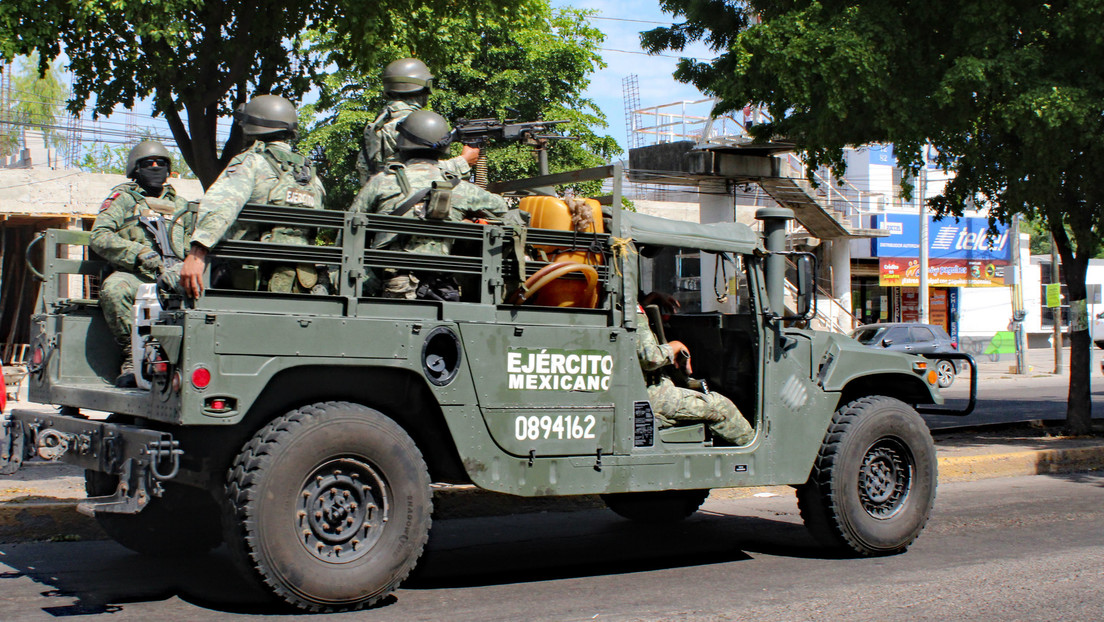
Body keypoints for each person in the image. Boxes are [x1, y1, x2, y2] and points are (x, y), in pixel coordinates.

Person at [177, 94, 326, 299]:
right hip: (299, 279)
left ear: (253, 125)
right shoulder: (311, 176)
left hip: (246, 276)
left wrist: (197, 251)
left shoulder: (251, 162)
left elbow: (221, 206)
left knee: (170, 282)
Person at [351, 110, 511, 300]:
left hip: (391, 286)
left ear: (402, 143)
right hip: (440, 287)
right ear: (444, 145)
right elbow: (502, 210)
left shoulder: (381, 182)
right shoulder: (460, 188)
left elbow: (350, 229)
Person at [90, 141, 192, 387]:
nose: (156, 167)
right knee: (114, 288)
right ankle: (130, 356)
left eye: (162, 164)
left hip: (174, 274)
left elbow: (194, 243)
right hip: (138, 274)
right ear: (136, 169)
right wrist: (138, 253)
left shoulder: (182, 206)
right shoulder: (123, 199)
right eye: (149, 164)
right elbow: (99, 236)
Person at [636, 304, 755, 445]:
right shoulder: (629, 306)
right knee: (720, 406)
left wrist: (652, 297)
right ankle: (759, 456)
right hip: (651, 394)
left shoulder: (622, 304)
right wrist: (675, 346)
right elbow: (650, 358)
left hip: (643, 390)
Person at [356, 58, 478, 183]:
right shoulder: (409, 124)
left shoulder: (380, 123)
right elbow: (419, 173)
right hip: (407, 199)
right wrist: (463, 162)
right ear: (423, 87)